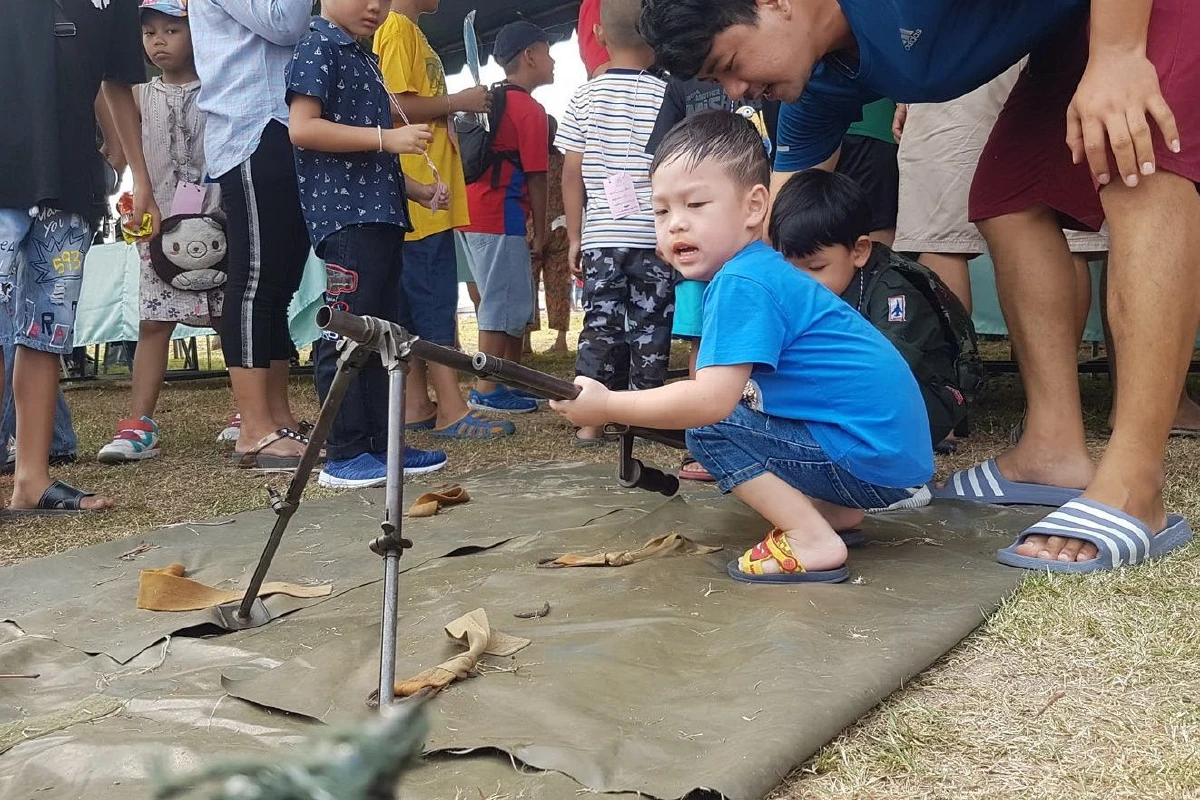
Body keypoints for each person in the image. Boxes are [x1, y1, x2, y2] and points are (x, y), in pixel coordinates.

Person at [640, 0, 1198, 573]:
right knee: (1009, 200)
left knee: (1141, 156)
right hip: (1066, 33)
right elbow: (766, 237)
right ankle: (1053, 450)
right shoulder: (819, 86)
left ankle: (1135, 480)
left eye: (730, 64)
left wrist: (1118, 54)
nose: (736, 92)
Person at [552, 111, 933, 584]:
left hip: (870, 461)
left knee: (710, 428)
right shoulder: (761, 271)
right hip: (889, 459)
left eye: (696, 204)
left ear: (754, 207)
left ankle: (811, 538)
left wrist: (608, 404)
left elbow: (709, 401)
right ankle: (835, 514)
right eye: (662, 211)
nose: (676, 225)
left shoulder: (742, 282)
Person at [0, 0, 155, 515]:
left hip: (70, 182)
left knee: (45, 332)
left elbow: (117, 82)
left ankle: (32, 479)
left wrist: (139, 177)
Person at [287, 0, 449, 487]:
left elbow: (373, 153)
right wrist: (386, 138)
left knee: (382, 335)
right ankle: (343, 451)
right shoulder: (318, 45)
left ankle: (382, 444)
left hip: (381, 216)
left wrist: (418, 189)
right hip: (346, 219)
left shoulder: (361, 53)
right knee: (345, 331)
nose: (375, 5)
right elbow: (302, 128)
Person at [373, 0, 515, 442]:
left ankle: (417, 404)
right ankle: (452, 409)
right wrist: (458, 101)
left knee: (414, 306)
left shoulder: (408, 31)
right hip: (421, 194)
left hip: (422, 193)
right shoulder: (397, 29)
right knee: (434, 306)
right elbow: (392, 105)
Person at [769, 169, 983, 457]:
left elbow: (887, 367)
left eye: (815, 267)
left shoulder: (894, 292)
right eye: (788, 268)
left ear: (859, 251)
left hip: (923, 396)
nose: (800, 281)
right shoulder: (821, 285)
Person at [96, 0, 223, 464]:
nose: (158, 41)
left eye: (172, 30)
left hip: (218, 224)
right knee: (153, 321)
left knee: (229, 317)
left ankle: (245, 410)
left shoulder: (218, 86)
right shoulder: (139, 96)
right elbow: (105, 88)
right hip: (160, 225)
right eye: (149, 32)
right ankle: (139, 421)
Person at [191, 0, 313, 470]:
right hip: (250, 129)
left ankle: (278, 419)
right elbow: (285, 23)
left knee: (279, 288)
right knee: (255, 283)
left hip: (284, 127)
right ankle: (254, 428)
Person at [558, 0, 677, 446]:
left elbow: (571, 174)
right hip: (652, 238)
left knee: (600, 326)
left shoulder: (583, 96)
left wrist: (575, 236)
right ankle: (643, 418)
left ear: (600, 35)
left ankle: (588, 421)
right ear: (655, 38)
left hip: (601, 239)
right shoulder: (667, 94)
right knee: (651, 327)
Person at [459, 21, 555, 415]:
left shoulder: (492, 99)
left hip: (472, 212)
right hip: (500, 214)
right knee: (500, 302)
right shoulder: (529, 110)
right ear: (530, 56)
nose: (553, 61)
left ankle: (507, 381)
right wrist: (541, 232)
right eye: (548, 52)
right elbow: (537, 176)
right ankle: (486, 388)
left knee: (511, 299)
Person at [527, 116, 572, 355]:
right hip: (561, 229)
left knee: (528, 284)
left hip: (532, 227)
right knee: (559, 285)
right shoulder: (564, 161)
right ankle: (561, 339)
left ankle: (525, 341)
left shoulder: (529, 160)